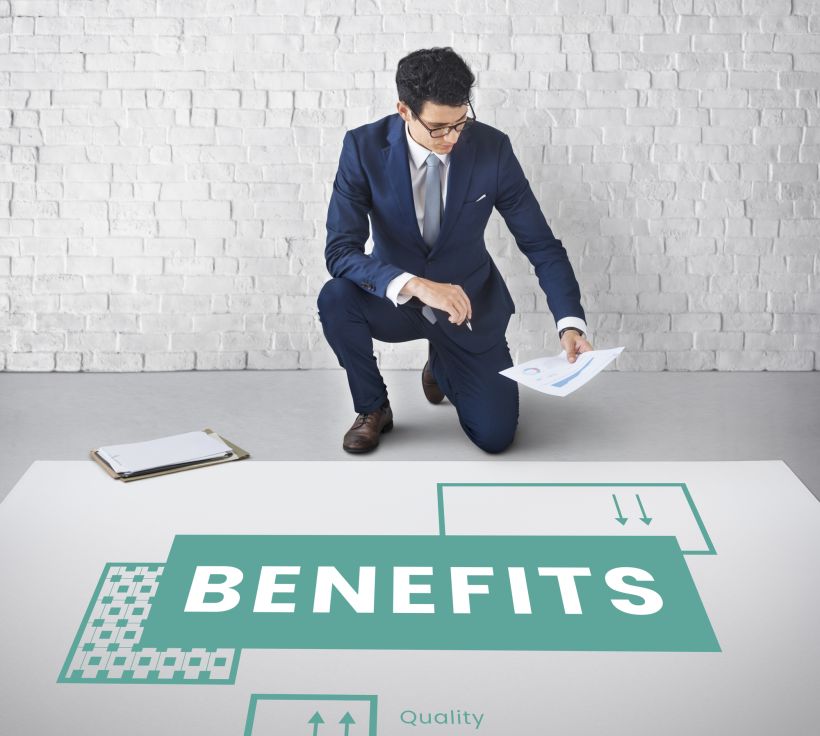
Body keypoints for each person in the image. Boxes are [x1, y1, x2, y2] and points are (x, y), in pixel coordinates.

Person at [318, 47, 593, 455]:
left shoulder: (492, 149)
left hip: (468, 307)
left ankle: (443, 364)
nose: (452, 138)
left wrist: (570, 322)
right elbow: (340, 250)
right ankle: (373, 406)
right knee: (335, 297)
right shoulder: (362, 148)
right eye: (439, 127)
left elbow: (541, 245)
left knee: (496, 437)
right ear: (404, 111)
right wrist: (418, 285)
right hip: (397, 301)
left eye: (461, 123)